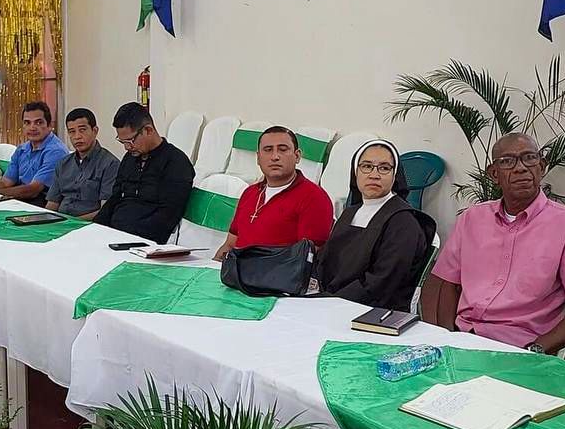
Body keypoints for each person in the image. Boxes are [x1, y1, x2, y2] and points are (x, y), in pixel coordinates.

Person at [422, 132, 565, 354]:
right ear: (494, 174)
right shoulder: (472, 219)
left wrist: (536, 349)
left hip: (524, 346)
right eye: (507, 161)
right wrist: (449, 340)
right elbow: (448, 283)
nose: (521, 168)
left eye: (529, 158)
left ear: (541, 167)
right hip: (466, 338)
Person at [314, 140, 436, 311]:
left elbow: (382, 283)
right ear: (355, 172)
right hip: (332, 303)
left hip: (374, 313)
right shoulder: (349, 213)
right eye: (366, 166)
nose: (374, 174)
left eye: (384, 168)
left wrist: (329, 303)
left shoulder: (404, 222)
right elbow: (325, 264)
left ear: (395, 176)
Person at [213, 126, 334, 261]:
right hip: (236, 274)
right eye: (268, 150)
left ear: (297, 156)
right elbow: (229, 245)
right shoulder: (250, 193)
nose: (275, 157)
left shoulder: (314, 197)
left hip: (277, 278)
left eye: (283, 150)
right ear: (258, 158)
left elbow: (307, 258)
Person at [93, 103, 194, 244]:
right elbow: (115, 198)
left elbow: (168, 216)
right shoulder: (130, 158)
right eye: (122, 142)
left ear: (148, 130)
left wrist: (127, 238)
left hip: (143, 242)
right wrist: (95, 229)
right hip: (114, 236)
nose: (127, 147)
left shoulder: (176, 162)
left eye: (131, 141)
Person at [45, 107, 120, 220]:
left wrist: (72, 222)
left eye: (82, 130)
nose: (77, 137)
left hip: (88, 225)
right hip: (59, 222)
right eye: (71, 132)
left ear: (95, 131)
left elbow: (105, 211)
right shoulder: (63, 164)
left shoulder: (110, 164)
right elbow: (52, 204)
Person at [0, 101, 69, 205]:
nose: (32, 127)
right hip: (20, 198)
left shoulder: (56, 151)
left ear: (49, 125)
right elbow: (6, 182)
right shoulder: (22, 149)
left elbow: (33, 190)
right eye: (27, 123)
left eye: (39, 122)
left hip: (42, 202)